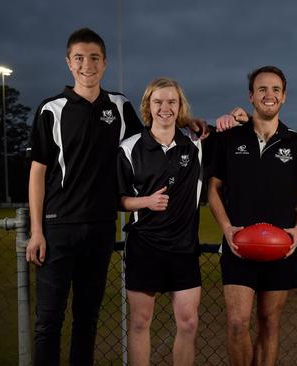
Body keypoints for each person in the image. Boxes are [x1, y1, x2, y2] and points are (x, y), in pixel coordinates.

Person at [25, 28, 142, 365]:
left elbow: (149, 144)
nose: (86, 64)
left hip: (102, 229)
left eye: (94, 58)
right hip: (57, 229)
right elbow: (37, 173)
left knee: (87, 322)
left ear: (104, 63)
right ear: (68, 63)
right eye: (79, 58)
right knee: (48, 323)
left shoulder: (119, 106)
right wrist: (37, 231)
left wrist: (188, 122)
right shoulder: (52, 109)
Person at [208, 65, 297, 366]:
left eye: (275, 89)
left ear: (284, 96)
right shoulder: (228, 138)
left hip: (281, 248)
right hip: (239, 246)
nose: (270, 95)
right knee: (238, 323)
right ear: (251, 96)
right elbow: (213, 190)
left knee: (270, 323)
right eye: (262, 89)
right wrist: (227, 229)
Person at [117, 78, 206, 366]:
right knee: (141, 322)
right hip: (145, 247)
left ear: (180, 107)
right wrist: (145, 202)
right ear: (148, 106)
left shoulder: (196, 144)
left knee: (189, 323)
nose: (165, 108)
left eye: (171, 102)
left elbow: (239, 132)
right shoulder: (130, 148)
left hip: (184, 247)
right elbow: (118, 199)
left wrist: (235, 116)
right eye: (158, 102)